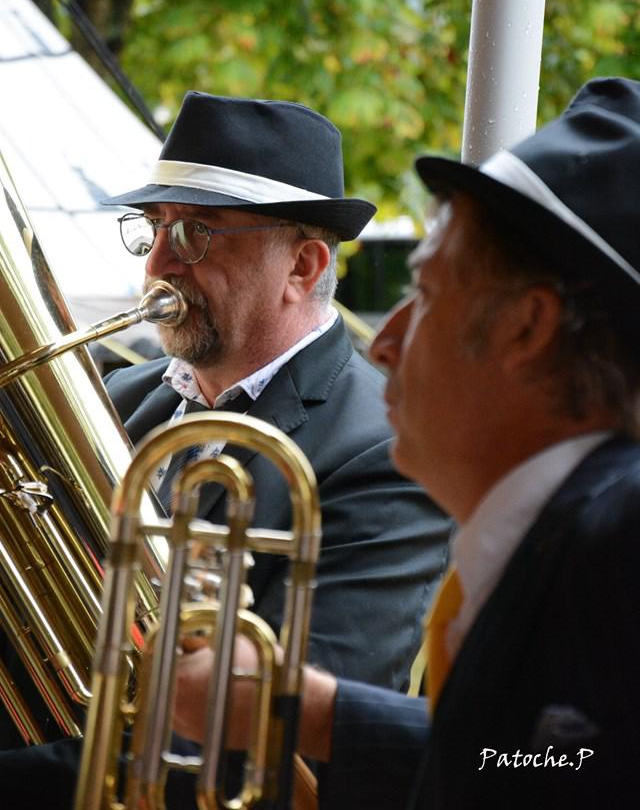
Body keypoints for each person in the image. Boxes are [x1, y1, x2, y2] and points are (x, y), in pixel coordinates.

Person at [173, 75, 640, 810]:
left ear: (527, 327)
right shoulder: (575, 525)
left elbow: (577, 773)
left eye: (425, 293)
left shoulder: (619, 528)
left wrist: (307, 710)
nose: (383, 342)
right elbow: (538, 759)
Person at [0, 92, 450, 806]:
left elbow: (272, 740)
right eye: (154, 229)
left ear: (302, 266)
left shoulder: (385, 458)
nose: (159, 266)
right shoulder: (117, 399)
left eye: (200, 233)